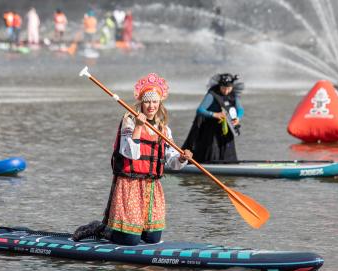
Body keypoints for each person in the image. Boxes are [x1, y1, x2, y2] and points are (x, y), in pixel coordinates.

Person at [73, 73, 193, 245]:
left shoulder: (164, 129)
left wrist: (182, 158)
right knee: (130, 240)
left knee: (152, 239)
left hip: (152, 187)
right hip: (130, 185)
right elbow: (130, 153)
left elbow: (172, 162)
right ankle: (101, 229)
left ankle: (137, 231)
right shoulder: (129, 121)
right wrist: (138, 127)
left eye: (154, 101)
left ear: (160, 103)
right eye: (147, 101)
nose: (151, 106)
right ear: (141, 103)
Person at [182, 73, 244, 163]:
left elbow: (240, 109)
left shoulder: (233, 95)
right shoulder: (212, 94)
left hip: (227, 128)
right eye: (223, 88)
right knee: (213, 151)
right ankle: (208, 165)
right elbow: (200, 110)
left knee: (228, 150)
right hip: (211, 128)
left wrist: (238, 118)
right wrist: (215, 114)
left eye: (229, 88)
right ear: (219, 86)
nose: (226, 91)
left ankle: (229, 165)